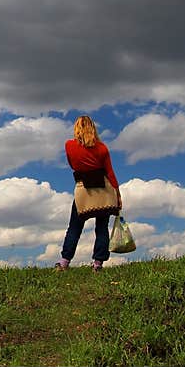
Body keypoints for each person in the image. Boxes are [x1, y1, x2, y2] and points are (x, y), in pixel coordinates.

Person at [55, 115, 122, 272]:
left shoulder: (69, 145)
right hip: (104, 190)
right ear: (93, 128)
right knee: (102, 228)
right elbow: (110, 173)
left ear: (76, 128)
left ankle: (64, 262)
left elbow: (73, 165)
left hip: (83, 190)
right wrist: (118, 194)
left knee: (74, 227)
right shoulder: (102, 148)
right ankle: (97, 264)